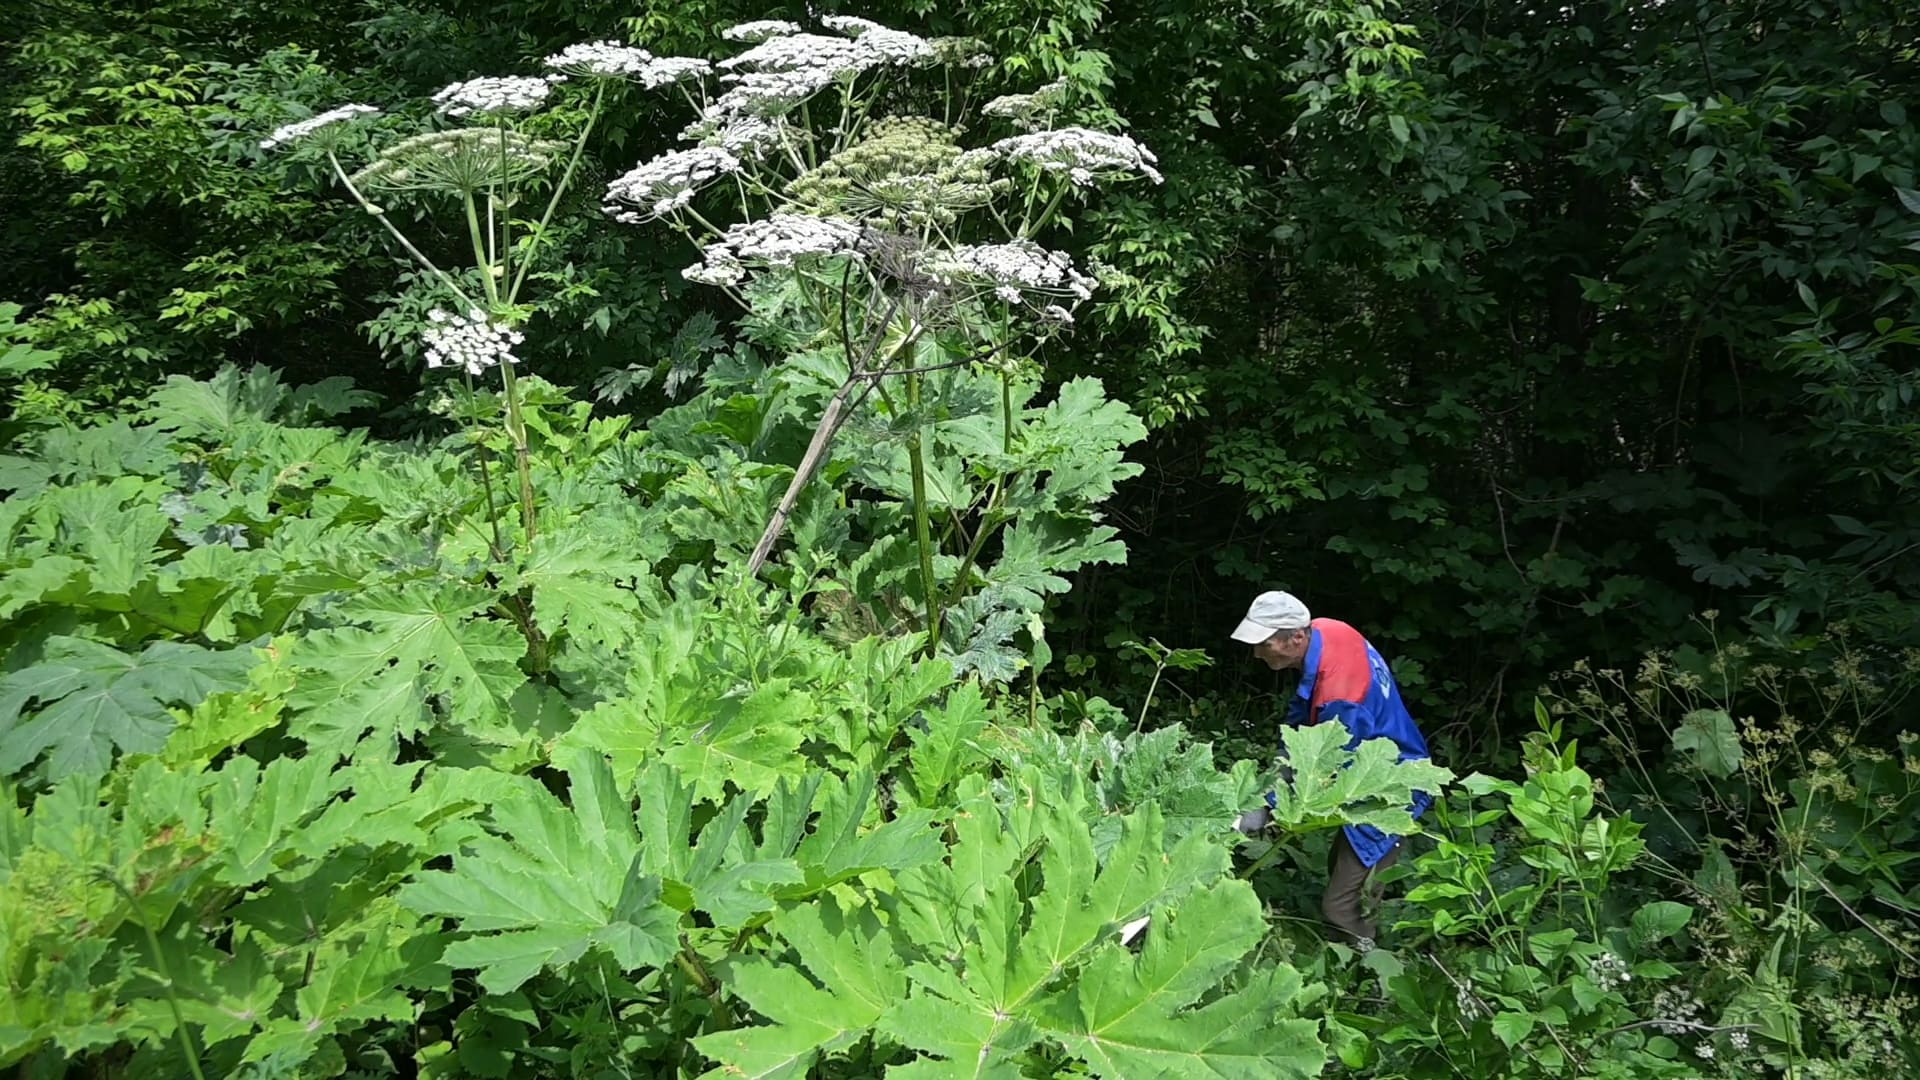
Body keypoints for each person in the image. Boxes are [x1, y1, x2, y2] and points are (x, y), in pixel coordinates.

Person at [1229, 590, 1433, 948]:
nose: (1257, 653)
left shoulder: (1341, 698)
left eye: (1263, 643)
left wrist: (1271, 805)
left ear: (1296, 637)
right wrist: (1274, 778)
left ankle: (1371, 975)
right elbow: (1306, 721)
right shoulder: (1328, 630)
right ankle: (1347, 952)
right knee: (1341, 869)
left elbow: (1324, 766)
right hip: (1379, 766)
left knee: (1342, 905)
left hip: (1391, 787)